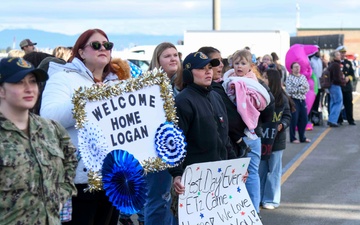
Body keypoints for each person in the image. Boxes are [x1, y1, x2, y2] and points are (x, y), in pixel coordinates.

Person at [40, 28, 120, 225]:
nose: (103, 48)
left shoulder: (116, 83)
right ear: (81, 52)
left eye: (107, 45)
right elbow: (49, 117)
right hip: (81, 180)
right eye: (96, 45)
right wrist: (88, 100)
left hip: (113, 178)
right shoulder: (63, 77)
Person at [0, 57, 77, 224]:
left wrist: (60, 195)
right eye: (19, 82)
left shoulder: (51, 128)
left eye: (33, 81)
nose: (29, 89)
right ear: (1, 90)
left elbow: (71, 159)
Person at [169, 51, 237, 203]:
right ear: (187, 74)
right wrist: (177, 174)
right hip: (194, 179)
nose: (208, 71)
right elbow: (174, 143)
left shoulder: (217, 97)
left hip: (219, 175)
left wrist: (235, 167)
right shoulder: (182, 102)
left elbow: (224, 139)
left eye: (209, 67)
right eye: (201, 68)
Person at [222, 49, 274, 215]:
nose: (239, 66)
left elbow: (266, 105)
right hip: (233, 137)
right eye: (236, 63)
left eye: (243, 63)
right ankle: (237, 210)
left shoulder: (255, 84)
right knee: (235, 174)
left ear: (250, 66)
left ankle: (253, 210)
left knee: (251, 173)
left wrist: (250, 111)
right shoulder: (227, 81)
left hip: (250, 135)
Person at [198, 46, 250, 158]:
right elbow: (232, 120)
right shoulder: (212, 90)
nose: (221, 64)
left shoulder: (221, 86)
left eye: (221, 61)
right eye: (217, 61)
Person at [259, 69, 292, 210]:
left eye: (266, 77)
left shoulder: (281, 98)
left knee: (274, 170)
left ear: (273, 80)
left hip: (276, 141)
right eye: (264, 77)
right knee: (260, 170)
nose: (264, 79)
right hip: (262, 139)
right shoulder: (260, 95)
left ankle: (271, 199)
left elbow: (287, 115)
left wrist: (282, 125)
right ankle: (258, 197)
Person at [286, 62, 311, 143]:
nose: (297, 68)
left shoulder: (303, 77)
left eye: (298, 67)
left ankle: (302, 137)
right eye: (295, 67)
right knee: (294, 119)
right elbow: (289, 90)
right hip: (294, 100)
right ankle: (293, 138)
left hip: (302, 100)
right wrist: (300, 88)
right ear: (292, 69)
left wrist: (298, 88)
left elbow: (306, 88)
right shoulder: (289, 78)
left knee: (304, 119)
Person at [336, 46, 356, 125]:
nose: (343, 54)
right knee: (339, 104)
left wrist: (348, 77)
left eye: (344, 52)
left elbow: (352, 73)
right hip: (339, 86)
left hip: (347, 87)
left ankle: (350, 119)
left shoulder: (348, 63)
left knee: (349, 103)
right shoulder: (335, 63)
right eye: (341, 52)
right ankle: (339, 119)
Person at [327, 50, 344, 127]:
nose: (339, 55)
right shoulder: (336, 65)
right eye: (337, 55)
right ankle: (333, 120)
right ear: (334, 57)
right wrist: (343, 81)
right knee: (338, 102)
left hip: (331, 85)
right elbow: (337, 78)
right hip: (335, 85)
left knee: (333, 102)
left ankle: (331, 119)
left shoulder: (331, 64)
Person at [309, 46, 324, 125]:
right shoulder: (310, 60)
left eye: (319, 50)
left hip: (319, 86)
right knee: (311, 102)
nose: (318, 52)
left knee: (317, 103)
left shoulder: (320, 61)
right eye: (316, 50)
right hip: (312, 86)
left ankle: (315, 119)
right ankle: (310, 118)